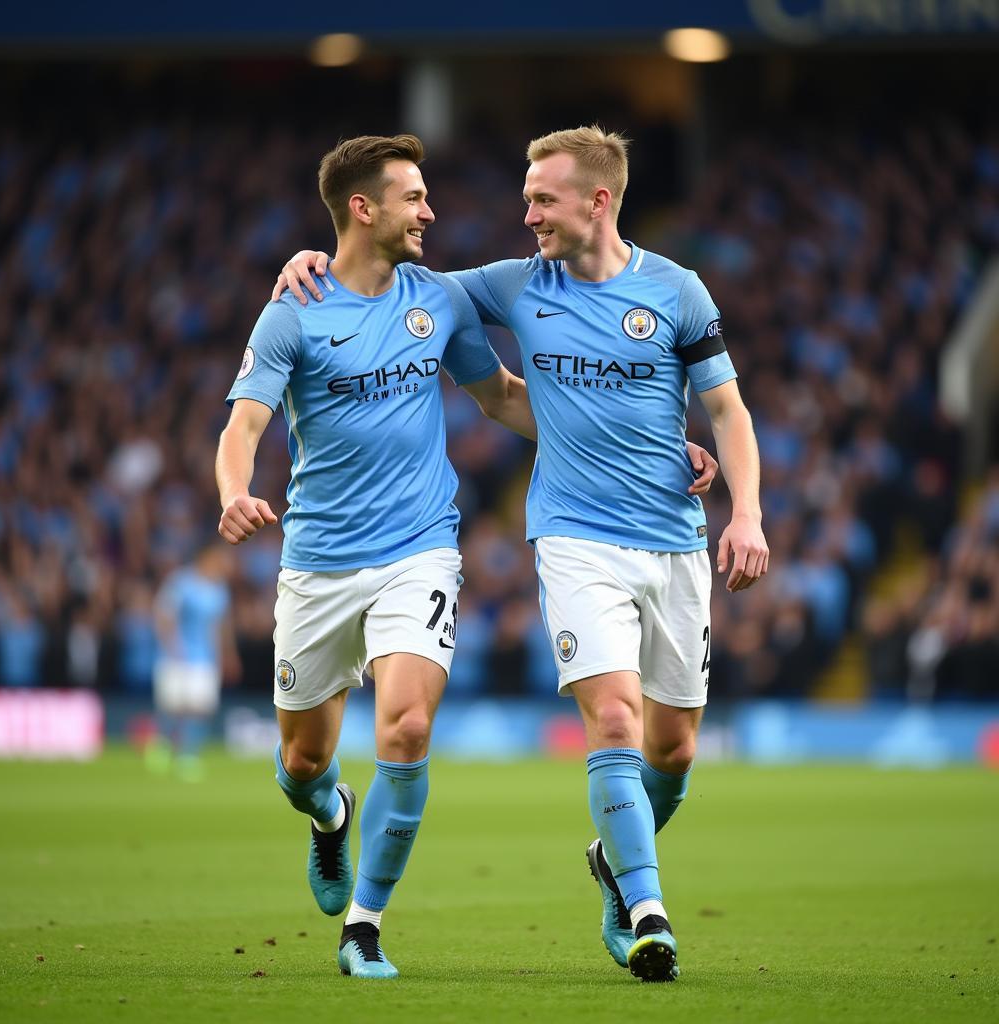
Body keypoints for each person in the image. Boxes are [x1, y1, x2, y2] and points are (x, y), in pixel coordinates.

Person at [275, 125, 769, 983]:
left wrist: (746, 512)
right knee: (614, 719)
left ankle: (612, 856)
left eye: (543, 198)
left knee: (677, 752)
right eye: (527, 195)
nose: (526, 212)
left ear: (597, 201)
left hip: (674, 540)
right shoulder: (506, 286)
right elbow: (384, 276)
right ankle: (647, 910)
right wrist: (308, 260)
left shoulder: (678, 291)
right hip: (574, 538)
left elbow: (727, 412)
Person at [216, 134, 544, 980]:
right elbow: (242, 425)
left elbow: (501, 396)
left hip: (419, 551)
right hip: (319, 562)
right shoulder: (292, 309)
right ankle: (329, 816)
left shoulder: (439, 297)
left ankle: (363, 926)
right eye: (414, 197)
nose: (430, 211)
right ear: (364, 209)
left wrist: (633, 446)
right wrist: (234, 492)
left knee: (404, 725)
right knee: (301, 765)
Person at [150, 543, 239, 781]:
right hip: (177, 656)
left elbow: (222, 626)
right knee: (173, 706)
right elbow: (164, 614)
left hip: (205, 659)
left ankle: (188, 755)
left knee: (200, 709)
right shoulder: (181, 582)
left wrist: (228, 654)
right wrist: (171, 644)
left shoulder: (220, 590)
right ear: (205, 557)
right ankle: (163, 746)